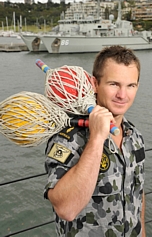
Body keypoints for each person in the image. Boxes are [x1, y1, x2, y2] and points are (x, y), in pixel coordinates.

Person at [44, 45, 146, 237]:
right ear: (95, 84)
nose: (122, 95)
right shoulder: (69, 137)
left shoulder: (135, 136)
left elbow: (138, 193)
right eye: (114, 84)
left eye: (130, 85)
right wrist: (98, 138)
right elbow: (66, 209)